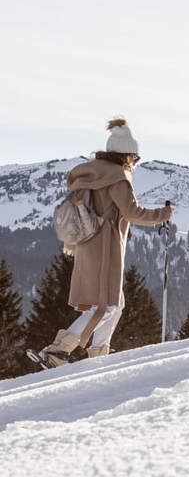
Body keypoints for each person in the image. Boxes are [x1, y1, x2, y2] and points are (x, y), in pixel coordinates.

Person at [30, 118, 173, 369]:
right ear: (126, 155)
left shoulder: (91, 173)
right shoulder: (117, 177)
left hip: (87, 243)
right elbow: (132, 212)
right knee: (105, 306)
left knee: (115, 305)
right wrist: (163, 214)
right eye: (134, 158)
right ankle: (57, 351)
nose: (134, 162)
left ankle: (98, 357)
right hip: (106, 247)